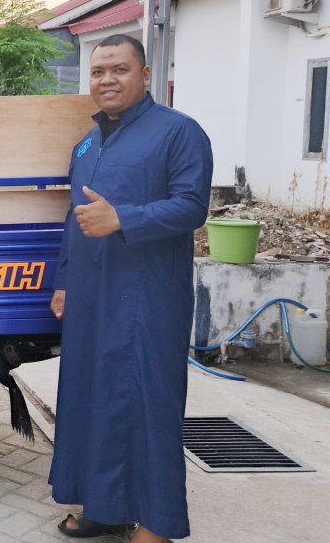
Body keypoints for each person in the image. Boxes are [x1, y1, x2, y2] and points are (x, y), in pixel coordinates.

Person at [47, 34, 213, 542]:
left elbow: (192, 207)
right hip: (93, 292)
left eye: (119, 70)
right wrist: (64, 281)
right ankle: (104, 507)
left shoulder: (179, 133)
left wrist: (124, 218)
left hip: (148, 295)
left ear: (146, 75)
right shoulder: (88, 142)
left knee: (146, 401)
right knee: (92, 398)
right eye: (98, 72)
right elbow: (74, 220)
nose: (107, 80)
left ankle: (157, 522)